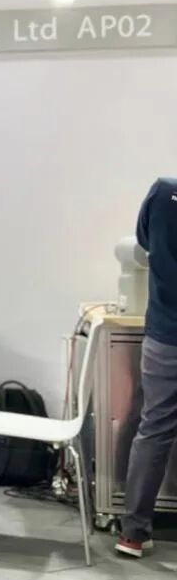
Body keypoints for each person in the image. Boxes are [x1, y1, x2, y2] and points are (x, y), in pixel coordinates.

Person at [116, 177, 177, 559]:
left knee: (154, 429)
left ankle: (133, 534)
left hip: (165, 334)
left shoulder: (163, 192)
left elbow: (142, 244)